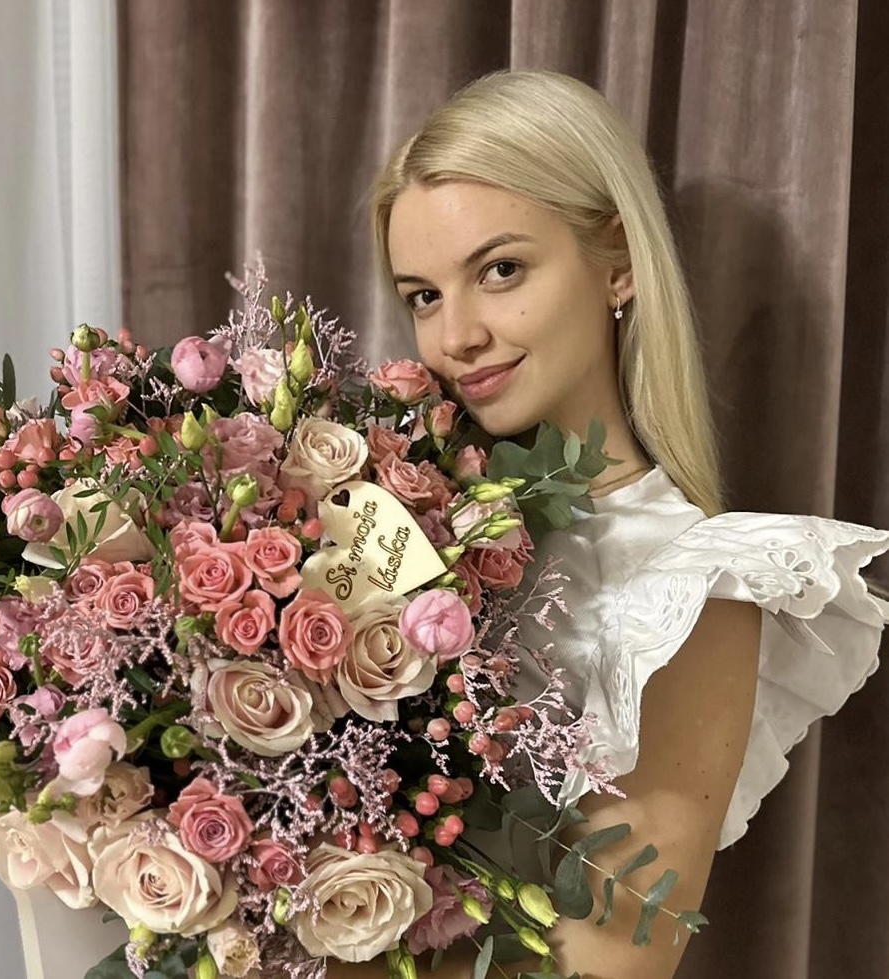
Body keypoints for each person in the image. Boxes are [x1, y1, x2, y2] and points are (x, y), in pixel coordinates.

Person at [332, 68, 889, 979]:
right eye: (424, 295)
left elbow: (605, 965)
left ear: (619, 261)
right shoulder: (378, 520)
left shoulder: (695, 584)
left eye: (500, 270)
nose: (456, 336)